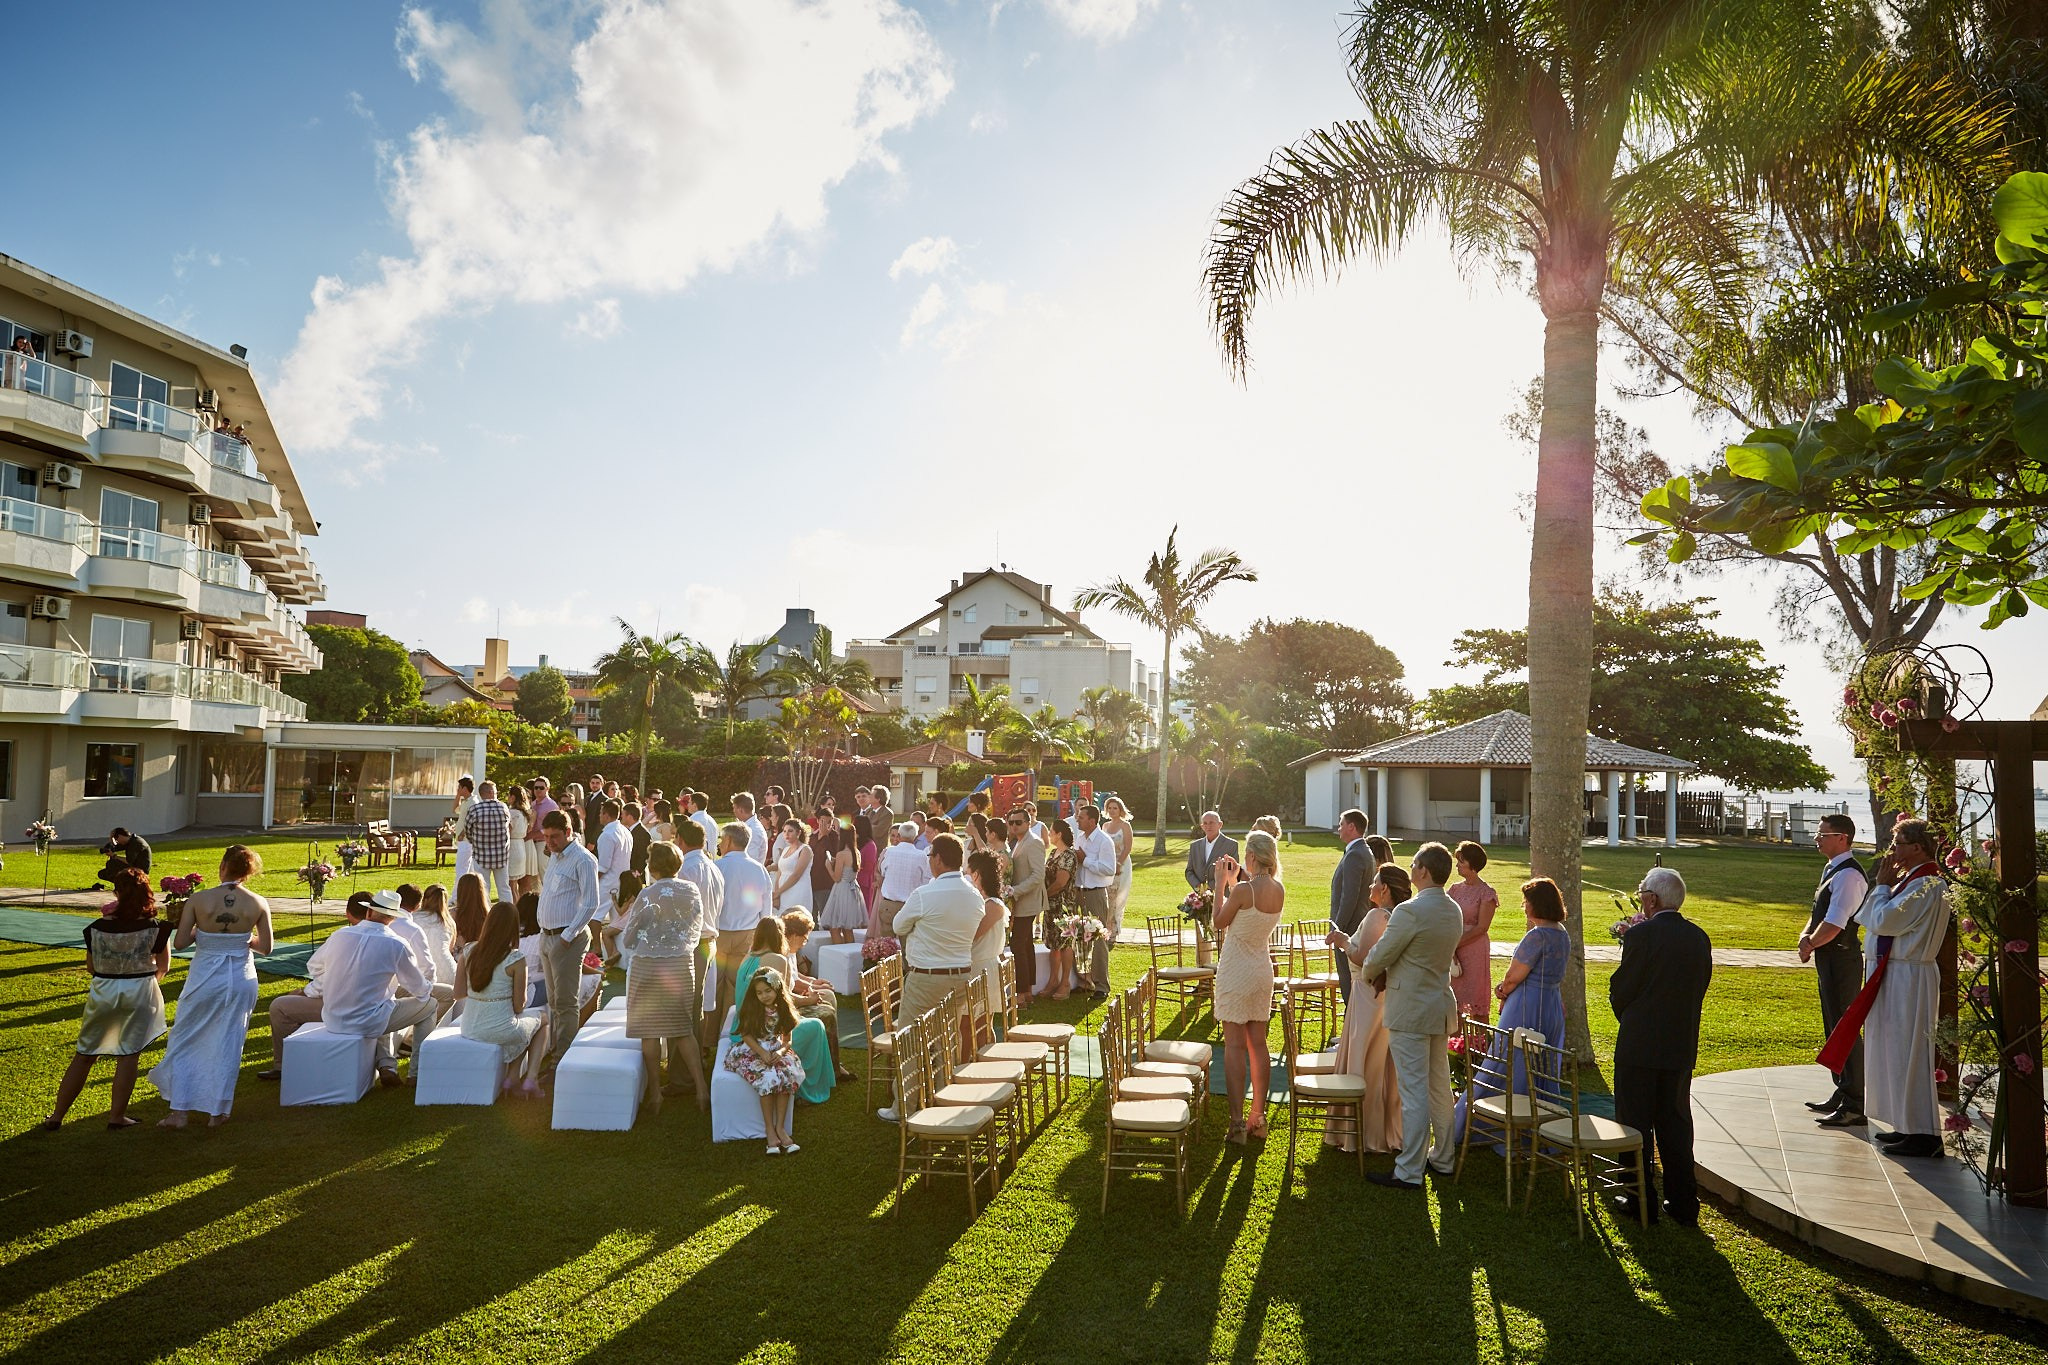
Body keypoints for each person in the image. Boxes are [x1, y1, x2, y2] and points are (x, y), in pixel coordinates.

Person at [1609, 865, 1715, 1223]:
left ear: (1651, 900)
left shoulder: (1642, 937)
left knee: (1634, 1123)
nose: (1641, 900)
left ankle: (1639, 1199)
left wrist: (1631, 1016)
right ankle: (1684, 1202)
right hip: (1679, 1043)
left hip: (1639, 1046)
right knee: (1675, 1124)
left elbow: (1622, 989)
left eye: (1642, 894)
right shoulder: (1699, 937)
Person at [1361, 841, 1463, 1190]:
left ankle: (1408, 1170)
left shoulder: (1410, 911)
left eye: (1415, 864)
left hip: (1410, 1009)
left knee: (1415, 1090)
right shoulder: (1453, 909)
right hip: (1438, 1004)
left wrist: (1367, 973)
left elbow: (1381, 952)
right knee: (1438, 1087)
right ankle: (1443, 1158)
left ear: (1421, 871)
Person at [42, 869, 174, 1131]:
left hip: (104, 991)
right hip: (140, 990)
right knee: (129, 1055)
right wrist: (144, 980)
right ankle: (116, 1116)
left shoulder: (95, 929)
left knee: (84, 1055)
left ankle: (57, 1116)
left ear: (116, 893)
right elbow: (164, 966)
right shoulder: (155, 928)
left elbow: (91, 967)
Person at [150, 846, 273, 1127]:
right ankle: (218, 1111)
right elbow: (265, 947)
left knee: (186, 1037)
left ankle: (179, 1112)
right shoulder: (257, 902)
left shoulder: (199, 899)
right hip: (240, 978)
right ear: (249, 872)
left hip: (205, 976)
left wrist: (202, 932)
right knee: (229, 1041)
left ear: (222, 867)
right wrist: (242, 938)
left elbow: (180, 943)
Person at [1852, 819, 1947, 1160]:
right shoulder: (1912, 880)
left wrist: (1880, 887)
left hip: (1910, 976)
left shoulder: (1927, 884)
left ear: (1918, 847)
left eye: (1899, 844)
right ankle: (1906, 1124)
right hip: (1895, 972)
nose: (1894, 852)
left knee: (1909, 1052)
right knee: (1893, 1048)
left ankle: (1925, 1133)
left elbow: (1886, 920)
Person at [882, 835, 984, 1121]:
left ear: (938, 859)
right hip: (960, 974)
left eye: (930, 856)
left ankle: (904, 1106)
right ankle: (942, 1098)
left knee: (910, 1040)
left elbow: (898, 924)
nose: (929, 861)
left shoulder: (925, 894)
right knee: (947, 1040)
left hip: (927, 976)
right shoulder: (973, 894)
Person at [1321, 861, 1409, 1153]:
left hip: (1366, 998)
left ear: (1384, 889)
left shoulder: (1377, 916)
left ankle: (1362, 1132)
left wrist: (1343, 940)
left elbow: (1362, 958)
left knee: (1365, 1061)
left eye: (1374, 882)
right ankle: (1383, 1128)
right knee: (1381, 1062)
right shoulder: (1399, 917)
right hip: (1384, 998)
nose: (1370, 887)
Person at [1469, 877, 1571, 1127]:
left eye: (1526, 901)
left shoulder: (1538, 935)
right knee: (1543, 1063)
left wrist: (1502, 990)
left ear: (1538, 904)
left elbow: (1515, 975)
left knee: (1509, 1058)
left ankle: (1497, 1119)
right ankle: (1541, 1119)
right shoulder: (1562, 933)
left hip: (1527, 1004)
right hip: (1551, 1003)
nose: (1523, 906)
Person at [615, 842, 708, 1112]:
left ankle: (655, 1093)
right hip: (680, 964)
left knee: (649, 1030)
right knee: (682, 1029)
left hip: (648, 966)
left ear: (653, 865)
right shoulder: (691, 890)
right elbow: (696, 926)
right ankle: (702, 1089)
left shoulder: (648, 893)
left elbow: (630, 935)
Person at [1212, 830, 1286, 1145]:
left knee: (1233, 1046)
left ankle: (1237, 1123)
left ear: (1252, 857)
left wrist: (1219, 884)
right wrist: (1234, 885)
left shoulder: (1243, 890)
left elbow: (1219, 921)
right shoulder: (1278, 889)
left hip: (1237, 969)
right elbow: (1246, 910)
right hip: (1261, 970)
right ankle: (1259, 1116)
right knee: (1258, 1044)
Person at [1799, 813, 1868, 1128]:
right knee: (1833, 1026)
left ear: (1843, 838)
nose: (1817, 838)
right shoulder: (1833, 869)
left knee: (1845, 1028)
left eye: (1823, 834)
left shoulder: (1849, 876)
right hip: (1829, 958)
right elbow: (1818, 914)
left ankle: (1854, 1103)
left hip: (1842, 960)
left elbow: (1836, 922)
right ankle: (1842, 1091)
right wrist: (1806, 936)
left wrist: (1811, 943)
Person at [454, 900, 550, 1099]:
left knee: (525, 1025)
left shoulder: (469, 950)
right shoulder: (515, 959)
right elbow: (518, 1005)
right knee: (542, 1020)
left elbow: (458, 994)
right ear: (513, 928)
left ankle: (512, 1077)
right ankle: (530, 1078)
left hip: (470, 1027)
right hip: (500, 1029)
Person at [732, 917, 834, 1104]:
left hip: (740, 1027)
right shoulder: (777, 959)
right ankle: (807, 1090)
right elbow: (784, 1003)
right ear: (780, 936)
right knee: (816, 1026)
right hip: (761, 1031)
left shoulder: (747, 957)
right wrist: (809, 1000)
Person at [535, 809, 602, 1067]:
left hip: (567, 937)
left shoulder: (583, 859)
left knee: (565, 1001)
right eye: (546, 837)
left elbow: (590, 904)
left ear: (569, 832)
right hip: (547, 935)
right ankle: (556, 1049)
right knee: (553, 1000)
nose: (549, 842)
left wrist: (566, 937)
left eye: (554, 837)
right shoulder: (555, 855)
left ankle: (564, 1057)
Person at [357, 890, 441, 1082]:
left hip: (336, 1011)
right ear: (393, 918)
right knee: (428, 1004)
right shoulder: (397, 943)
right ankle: (416, 1073)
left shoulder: (341, 935)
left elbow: (315, 967)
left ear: (369, 913)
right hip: (372, 1011)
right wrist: (425, 991)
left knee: (385, 998)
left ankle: (388, 1065)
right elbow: (421, 984)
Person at [725, 966, 806, 1156]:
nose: (764, 996)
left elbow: (787, 1040)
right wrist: (761, 1052)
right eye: (759, 993)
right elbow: (746, 1035)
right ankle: (769, 1129)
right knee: (768, 1078)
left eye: (768, 991)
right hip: (753, 1049)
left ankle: (780, 1128)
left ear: (777, 989)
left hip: (774, 1048)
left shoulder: (783, 1009)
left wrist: (781, 1051)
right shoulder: (753, 1009)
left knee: (787, 1076)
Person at [780, 910, 858, 1082]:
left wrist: (814, 981)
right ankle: (833, 1064)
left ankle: (833, 1060)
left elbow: (796, 976)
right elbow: (789, 988)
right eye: (804, 938)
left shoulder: (791, 949)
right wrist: (811, 992)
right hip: (790, 1004)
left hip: (795, 996)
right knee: (827, 1007)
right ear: (793, 935)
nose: (805, 943)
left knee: (828, 997)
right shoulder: (783, 954)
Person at [714, 823, 776, 1026]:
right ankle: (730, 1030)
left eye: (722, 839)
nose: (720, 844)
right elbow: (766, 908)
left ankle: (709, 1038)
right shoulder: (759, 869)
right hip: (748, 934)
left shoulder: (718, 866)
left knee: (714, 986)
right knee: (737, 986)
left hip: (719, 932)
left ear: (730, 840)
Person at [1448, 840, 1499, 1024]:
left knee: (1475, 1000)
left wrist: (1455, 943)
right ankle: (1455, 1046)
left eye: (1461, 861)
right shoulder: (1454, 889)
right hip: (1454, 948)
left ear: (1473, 864)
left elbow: (1481, 928)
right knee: (1454, 1002)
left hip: (1474, 949)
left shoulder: (1486, 893)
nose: (1457, 865)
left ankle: (1479, 1046)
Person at [1328, 809, 1374, 1003]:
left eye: (1341, 824)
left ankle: (1352, 1029)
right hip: (1357, 925)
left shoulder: (1355, 854)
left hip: (1350, 927)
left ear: (1351, 827)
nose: (1339, 828)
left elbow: (1350, 897)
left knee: (1349, 983)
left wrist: (1337, 929)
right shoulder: (1363, 851)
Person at [1074, 804, 1119, 998]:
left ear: (1092, 820)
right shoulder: (1079, 838)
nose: (1078, 819)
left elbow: (1110, 869)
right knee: (1078, 936)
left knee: (1098, 938)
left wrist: (1086, 861)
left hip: (1096, 893)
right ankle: (1084, 980)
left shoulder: (1103, 841)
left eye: (1081, 817)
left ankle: (1101, 986)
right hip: (1079, 891)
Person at [1004, 805, 1047, 1002]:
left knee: (1018, 945)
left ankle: (1022, 993)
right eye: (1011, 822)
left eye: (1018, 822)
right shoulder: (1019, 842)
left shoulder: (1034, 842)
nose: (1014, 826)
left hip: (1028, 901)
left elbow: (1038, 875)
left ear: (1028, 823)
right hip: (1021, 902)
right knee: (1026, 945)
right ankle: (1027, 991)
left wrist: (1015, 890)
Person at [965, 848, 1011, 1022]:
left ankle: (982, 1051)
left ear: (976, 874)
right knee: (967, 1025)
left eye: (968, 873)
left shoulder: (993, 905)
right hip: (975, 968)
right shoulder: (981, 901)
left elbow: (973, 935)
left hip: (983, 970)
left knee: (978, 1025)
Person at [401, 883, 458, 1018]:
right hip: (449, 973)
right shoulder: (449, 922)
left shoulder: (413, 919)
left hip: (423, 973)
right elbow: (450, 949)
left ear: (424, 900)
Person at [1041, 818, 1083, 1001]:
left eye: (1051, 831)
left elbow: (1060, 883)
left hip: (1063, 906)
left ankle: (1064, 982)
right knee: (1053, 944)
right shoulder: (1053, 853)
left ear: (1059, 834)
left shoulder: (1069, 855)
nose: (1049, 834)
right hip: (1051, 905)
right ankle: (1052, 981)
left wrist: (1043, 896)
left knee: (1064, 944)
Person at [872, 821, 932, 940]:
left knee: (886, 944)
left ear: (899, 836)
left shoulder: (890, 852)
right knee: (907, 945)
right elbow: (926, 880)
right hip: (910, 905)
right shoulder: (921, 856)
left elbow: (883, 871)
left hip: (889, 903)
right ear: (915, 836)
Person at [464, 780, 514, 904]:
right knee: (504, 888)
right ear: (491, 793)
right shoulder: (503, 807)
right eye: (496, 791)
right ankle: (508, 914)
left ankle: (484, 915)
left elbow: (467, 830)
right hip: (501, 856)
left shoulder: (474, 809)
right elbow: (508, 827)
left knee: (483, 888)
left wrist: (475, 841)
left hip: (481, 855)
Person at [817, 825, 865, 944]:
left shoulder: (841, 854)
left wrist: (828, 867)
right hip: (853, 890)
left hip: (842, 890)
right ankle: (850, 956)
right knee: (848, 929)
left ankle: (839, 954)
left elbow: (836, 878)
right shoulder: (856, 853)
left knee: (834, 928)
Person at [593, 800, 631, 941]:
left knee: (595, 915)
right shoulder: (625, 831)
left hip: (609, 881)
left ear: (606, 815)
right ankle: (615, 950)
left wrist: (593, 881)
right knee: (617, 919)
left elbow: (604, 865)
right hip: (623, 880)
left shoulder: (607, 835)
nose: (599, 816)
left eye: (601, 813)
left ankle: (596, 948)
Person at [1101, 795, 1135, 941]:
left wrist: (1119, 864)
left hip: (1121, 864)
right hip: (1107, 864)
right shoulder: (1105, 826)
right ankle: (1106, 926)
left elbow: (1128, 847)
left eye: (1115, 808)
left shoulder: (1125, 826)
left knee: (1117, 896)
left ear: (1120, 809)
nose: (1112, 810)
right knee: (1107, 895)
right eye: (1110, 808)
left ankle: (1114, 927)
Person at [1185, 810, 1237, 891]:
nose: (1208, 826)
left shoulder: (1231, 845)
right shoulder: (1194, 846)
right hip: (1199, 897)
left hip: (1222, 896)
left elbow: (1231, 871)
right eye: (1205, 823)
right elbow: (1189, 871)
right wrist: (1199, 887)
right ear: (1202, 826)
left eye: (1211, 822)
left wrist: (1208, 888)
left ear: (1220, 824)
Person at [772, 821, 814, 917]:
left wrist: (778, 892)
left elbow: (796, 875)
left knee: (796, 921)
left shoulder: (805, 850)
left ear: (798, 833)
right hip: (783, 892)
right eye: (784, 831)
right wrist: (777, 895)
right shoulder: (785, 850)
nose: (787, 834)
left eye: (790, 831)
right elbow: (779, 872)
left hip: (798, 890)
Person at [505, 783, 537, 901]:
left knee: (511, 885)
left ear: (513, 797)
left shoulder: (512, 813)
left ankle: (515, 911)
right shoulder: (524, 813)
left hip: (513, 847)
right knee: (513, 885)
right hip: (520, 847)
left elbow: (507, 831)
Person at [732, 792, 769, 863]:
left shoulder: (753, 831)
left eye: (734, 808)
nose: (733, 811)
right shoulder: (750, 826)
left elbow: (751, 860)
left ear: (741, 810)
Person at [853, 813, 879, 912]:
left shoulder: (870, 845)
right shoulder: (854, 842)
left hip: (864, 882)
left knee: (863, 909)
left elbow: (869, 866)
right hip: (853, 881)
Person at [453, 775, 477, 880]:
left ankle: (456, 896)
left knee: (461, 870)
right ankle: (471, 895)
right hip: (463, 840)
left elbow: (473, 821)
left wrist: (463, 833)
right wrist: (458, 795)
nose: (457, 789)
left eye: (459, 787)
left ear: (465, 788)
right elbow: (454, 809)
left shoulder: (473, 802)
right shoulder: (466, 802)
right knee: (469, 871)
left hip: (466, 841)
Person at [624, 801, 652, 879]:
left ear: (629, 817)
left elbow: (643, 856)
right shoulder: (629, 830)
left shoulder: (643, 834)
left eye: (623, 814)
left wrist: (636, 873)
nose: (621, 817)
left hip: (635, 877)